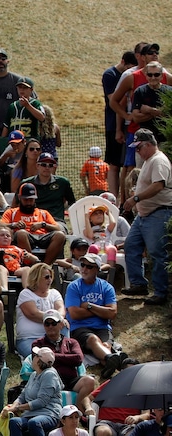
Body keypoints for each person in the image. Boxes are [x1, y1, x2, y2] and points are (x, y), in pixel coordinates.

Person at [121, 129, 172, 305]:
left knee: (157, 253)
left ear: (149, 144)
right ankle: (138, 284)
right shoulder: (150, 160)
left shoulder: (158, 161)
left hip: (158, 212)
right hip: (145, 215)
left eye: (139, 147)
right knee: (131, 245)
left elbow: (159, 185)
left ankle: (160, 292)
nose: (137, 151)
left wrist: (136, 198)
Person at [64, 253, 129, 376]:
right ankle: (120, 363)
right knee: (93, 340)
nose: (84, 269)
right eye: (83, 265)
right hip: (79, 328)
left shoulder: (107, 287)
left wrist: (89, 306)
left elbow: (112, 313)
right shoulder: (74, 287)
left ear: (97, 269)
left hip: (102, 327)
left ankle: (110, 363)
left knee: (104, 346)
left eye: (89, 266)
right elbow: (74, 314)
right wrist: (101, 311)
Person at [3, 348, 64, 436]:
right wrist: (12, 406)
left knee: (34, 423)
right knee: (14, 422)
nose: (32, 357)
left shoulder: (50, 375)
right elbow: (22, 396)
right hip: (30, 414)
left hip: (49, 414)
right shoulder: (33, 375)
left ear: (39, 361)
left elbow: (41, 402)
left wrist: (17, 408)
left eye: (35, 355)